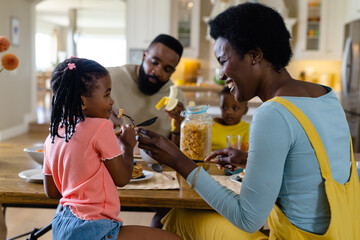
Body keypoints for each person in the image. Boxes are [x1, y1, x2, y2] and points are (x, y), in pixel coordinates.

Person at [136, 3, 360, 240]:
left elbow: (248, 218)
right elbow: (310, 169)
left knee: (179, 216)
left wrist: (178, 160)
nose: (221, 74)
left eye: (223, 60)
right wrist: (253, 161)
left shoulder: (272, 113)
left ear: (255, 55)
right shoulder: (326, 96)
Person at [42, 57, 181, 240]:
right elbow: (122, 178)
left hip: (63, 226)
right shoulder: (101, 127)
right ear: (83, 103)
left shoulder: (52, 136)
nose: (112, 101)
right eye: (107, 95)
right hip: (94, 228)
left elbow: (51, 192)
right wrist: (128, 146)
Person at [108, 34, 186, 147]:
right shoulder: (110, 78)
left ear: (173, 71)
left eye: (167, 69)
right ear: (144, 56)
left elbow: (178, 150)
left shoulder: (178, 99)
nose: (158, 71)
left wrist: (178, 126)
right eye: (154, 62)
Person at [212, 86, 249, 152]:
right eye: (225, 107)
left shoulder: (248, 129)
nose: (229, 112)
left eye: (235, 108)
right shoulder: (209, 125)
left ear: (245, 110)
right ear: (220, 107)